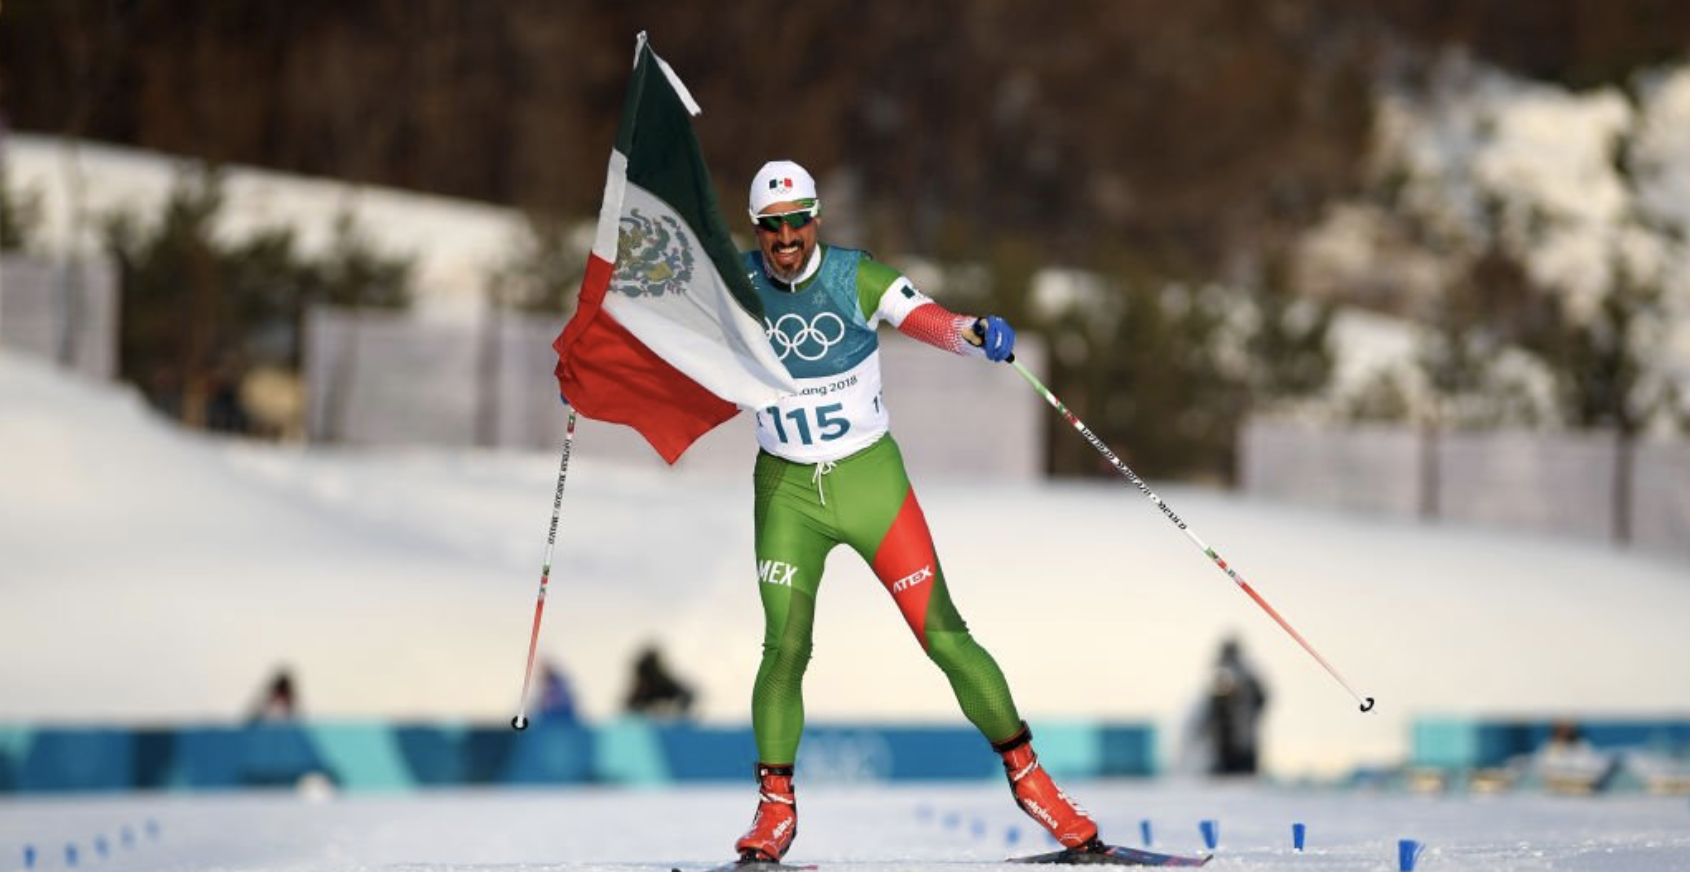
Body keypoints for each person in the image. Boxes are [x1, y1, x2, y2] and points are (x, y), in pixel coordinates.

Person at [728, 160, 1099, 864]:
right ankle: (775, 810)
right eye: (772, 226)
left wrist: (970, 331)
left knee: (944, 636)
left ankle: (1034, 784)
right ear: (756, 229)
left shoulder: (854, 276)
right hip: (787, 492)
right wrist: (598, 378)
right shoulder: (733, 284)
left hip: (871, 483)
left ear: (816, 218)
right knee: (784, 648)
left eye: (797, 221)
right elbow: (661, 342)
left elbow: (920, 315)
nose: (786, 237)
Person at [1200, 638, 1268, 776]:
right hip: (1230, 743)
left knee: (1237, 779)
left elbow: (1261, 700)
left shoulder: (1241, 675)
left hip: (1235, 743)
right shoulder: (1244, 674)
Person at [624, 644, 696, 718]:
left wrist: (672, 709)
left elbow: (687, 695)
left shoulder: (664, 683)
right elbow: (631, 706)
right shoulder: (643, 690)